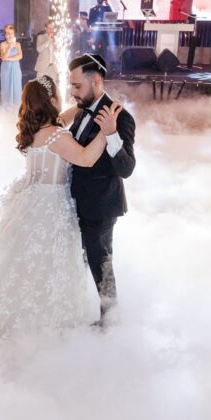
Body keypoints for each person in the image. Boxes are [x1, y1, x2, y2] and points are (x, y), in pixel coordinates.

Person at [0, 74, 122, 345]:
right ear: (51, 100)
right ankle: (47, 319)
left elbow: (64, 116)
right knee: (51, 262)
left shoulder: (36, 130)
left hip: (31, 201)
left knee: (27, 260)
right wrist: (106, 133)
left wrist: (84, 104)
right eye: (58, 94)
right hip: (52, 204)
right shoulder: (56, 135)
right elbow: (85, 159)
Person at [65, 54, 136, 317]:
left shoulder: (121, 117)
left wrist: (111, 134)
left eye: (77, 86)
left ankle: (111, 323)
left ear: (96, 81)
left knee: (101, 265)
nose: (72, 92)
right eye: (71, 85)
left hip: (101, 206)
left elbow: (127, 169)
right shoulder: (82, 109)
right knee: (85, 261)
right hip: (78, 201)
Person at [0, 23, 23, 109]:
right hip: (6, 69)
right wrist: (9, 47)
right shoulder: (2, 44)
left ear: (14, 34)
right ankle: (6, 109)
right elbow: (3, 57)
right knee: (6, 88)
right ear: (5, 34)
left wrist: (8, 58)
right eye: (7, 33)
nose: (10, 35)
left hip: (16, 68)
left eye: (11, 33)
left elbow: (20, 56)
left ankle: (17, 109)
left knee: (17, 88)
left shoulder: (18, 44)